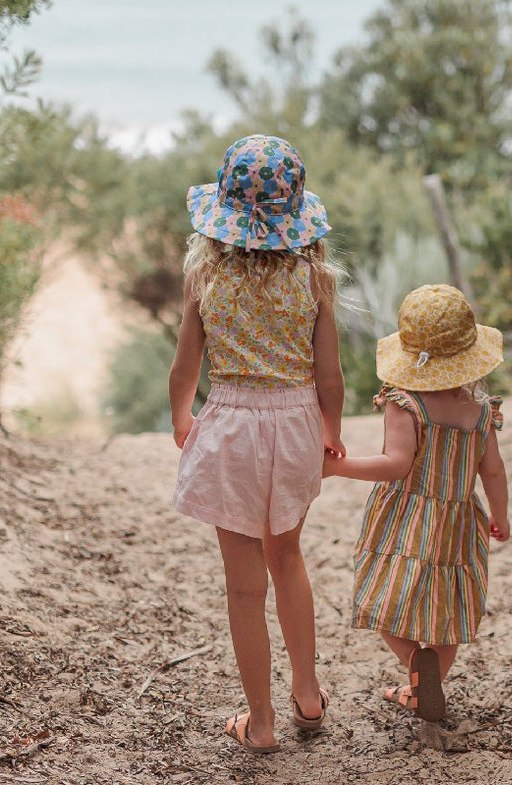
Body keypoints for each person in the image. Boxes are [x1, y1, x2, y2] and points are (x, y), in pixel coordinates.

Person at [169, 134, 346, 754]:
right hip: (296, 423)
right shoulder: (315, 280)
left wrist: (182, 420)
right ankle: (308, 692)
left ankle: (262, 724)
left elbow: (185, 369)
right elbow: (331, 378)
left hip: (231, 429)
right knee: (289, 557)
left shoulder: (204, 278)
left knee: (243, 585)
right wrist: (331, 435)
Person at [323, 284, 511, 723]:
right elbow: (494, 471)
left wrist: (338, 467)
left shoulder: (404, 404)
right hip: (460, 524)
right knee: (447, 613)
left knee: (384, 601)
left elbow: (394, 465)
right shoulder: (480, 411)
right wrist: (499, 517)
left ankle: (416, 672)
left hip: (403, 521)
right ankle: (426, 686)